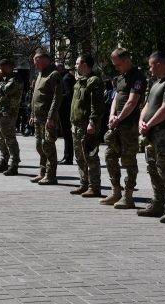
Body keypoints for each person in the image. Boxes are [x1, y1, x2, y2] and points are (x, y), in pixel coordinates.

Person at [137, 50, 165, 223]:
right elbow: (147, 105)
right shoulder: (156, 83)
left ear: (159, 64)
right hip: (151, 134)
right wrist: (142, 121)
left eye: (151, 66)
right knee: (153, 168)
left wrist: (149, 124)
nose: (150, 70)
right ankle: (158, 202)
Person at [102, 48, 145, 209]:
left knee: (128, 160)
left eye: (118, 64)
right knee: (110, 156)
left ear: (126, 60)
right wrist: (112, 115)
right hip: (116, 124)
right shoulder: (120, 77)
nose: (116, 67)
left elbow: (132, 102)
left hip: (129, 125)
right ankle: (116, 191)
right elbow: (116, 97)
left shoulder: (137, 76)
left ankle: (128, 195)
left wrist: (119, 118)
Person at [69, 53, 104, 198]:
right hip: (76, 125)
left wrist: (92, 122)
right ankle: (84, 184)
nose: (75, 66)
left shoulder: (94, 81)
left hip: (87, 125)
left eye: (77, 64)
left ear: (84, 65)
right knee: (79, 156)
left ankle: (94, 187)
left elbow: (96, 105)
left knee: (91, 156)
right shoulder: (79, 82)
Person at [30, 50, 62, 185]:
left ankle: (51, 175)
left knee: (48, 146)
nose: (35, 65)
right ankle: (42, 172)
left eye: (36, 62)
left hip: (48, 118)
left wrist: (51, 116)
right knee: (39, 146)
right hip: (38, 118)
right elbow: (35, 97)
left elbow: (57, 97)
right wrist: (32, 114)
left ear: (44, 60)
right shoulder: (40, 74)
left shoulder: (53, 74)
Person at [0, 58, 22, 176]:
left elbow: (6, 90)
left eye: (2, 68)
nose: (0, 71)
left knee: (10, 139)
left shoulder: (15, 79)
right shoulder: (5, 79)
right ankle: (3, 161)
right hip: (0, 112)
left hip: (9, 113)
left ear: (8, 67)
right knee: (0, 139)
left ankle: (14, 165)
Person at [57, 61, 75, 165]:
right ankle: (67, 156)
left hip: (66, 110)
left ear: (61, 68)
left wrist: (58, 97)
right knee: (66, 134)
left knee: (67, 134)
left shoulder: (66, 78)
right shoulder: (65, 77)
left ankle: (68, 157)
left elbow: (68, 94)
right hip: (66, 109)